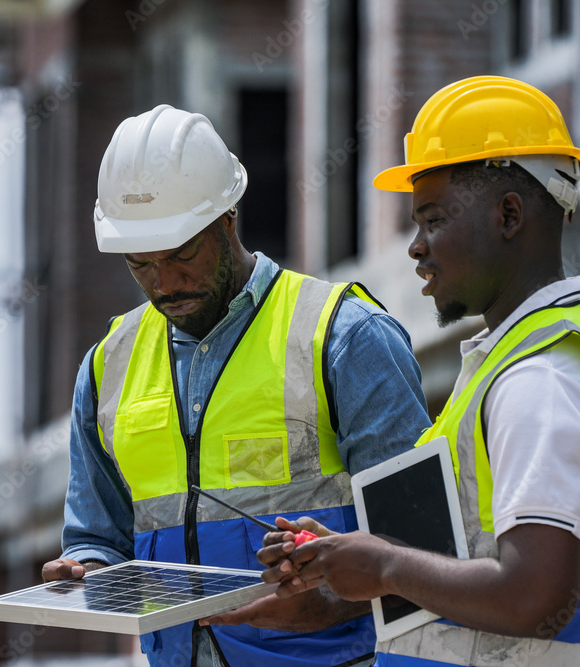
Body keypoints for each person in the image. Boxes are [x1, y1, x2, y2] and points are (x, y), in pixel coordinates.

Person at [40, 104, 431, 666]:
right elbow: (98, 536)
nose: (164, 284)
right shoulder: (108, 366)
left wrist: (325, 603)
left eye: (182, 255)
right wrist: (87, 572)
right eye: (139, 264)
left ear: (228, 218)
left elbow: (426, 548)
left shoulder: (343, 338)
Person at [257, 76, 580, 666]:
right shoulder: (510, 363)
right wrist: (356, 561)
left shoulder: (536, 381)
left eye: (432, 219)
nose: (415, 247)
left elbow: (535, 595)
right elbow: (470, 564)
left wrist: (386, 564)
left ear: (509, 214)